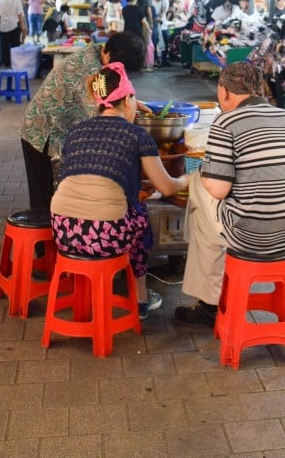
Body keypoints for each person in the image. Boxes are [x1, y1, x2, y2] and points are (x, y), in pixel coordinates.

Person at [50, 61, 188, 320]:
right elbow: (167, 186)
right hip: (105, 237)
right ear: (126, 100)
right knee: (139, 216)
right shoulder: (137, 136)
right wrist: (187, 179)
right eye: (134, 98)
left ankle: (91, 290)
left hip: (63, 232)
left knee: (122, 207)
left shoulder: (76, 132)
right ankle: (141, 300)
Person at [175, 62, 285, 326]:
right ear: (258, 88)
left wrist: (202, 172)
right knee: (207, 207)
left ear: (223, 91)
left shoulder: (226, 121)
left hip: (250, 236)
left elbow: (218, 189)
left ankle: (209, 304)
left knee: (200, 192)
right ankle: (205, 283)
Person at [20, 30, 147, 210]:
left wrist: (134, 102)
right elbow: (105, 116)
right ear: (108, 55)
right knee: (44, 199)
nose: (121, 73)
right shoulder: (90, 71)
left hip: (58, 128)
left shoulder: (100, 51)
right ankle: (44, 226)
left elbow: (113, 97)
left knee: (57, 196)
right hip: (42, 132)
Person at [0, 0, 26, 68]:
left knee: (4, 46)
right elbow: (20, 14)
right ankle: (15, 62)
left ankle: (6, 63)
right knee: (15, 45)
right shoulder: (16, 1)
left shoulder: (0, 0)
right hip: (14, 26)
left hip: (3, 26)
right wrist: (22, 25)